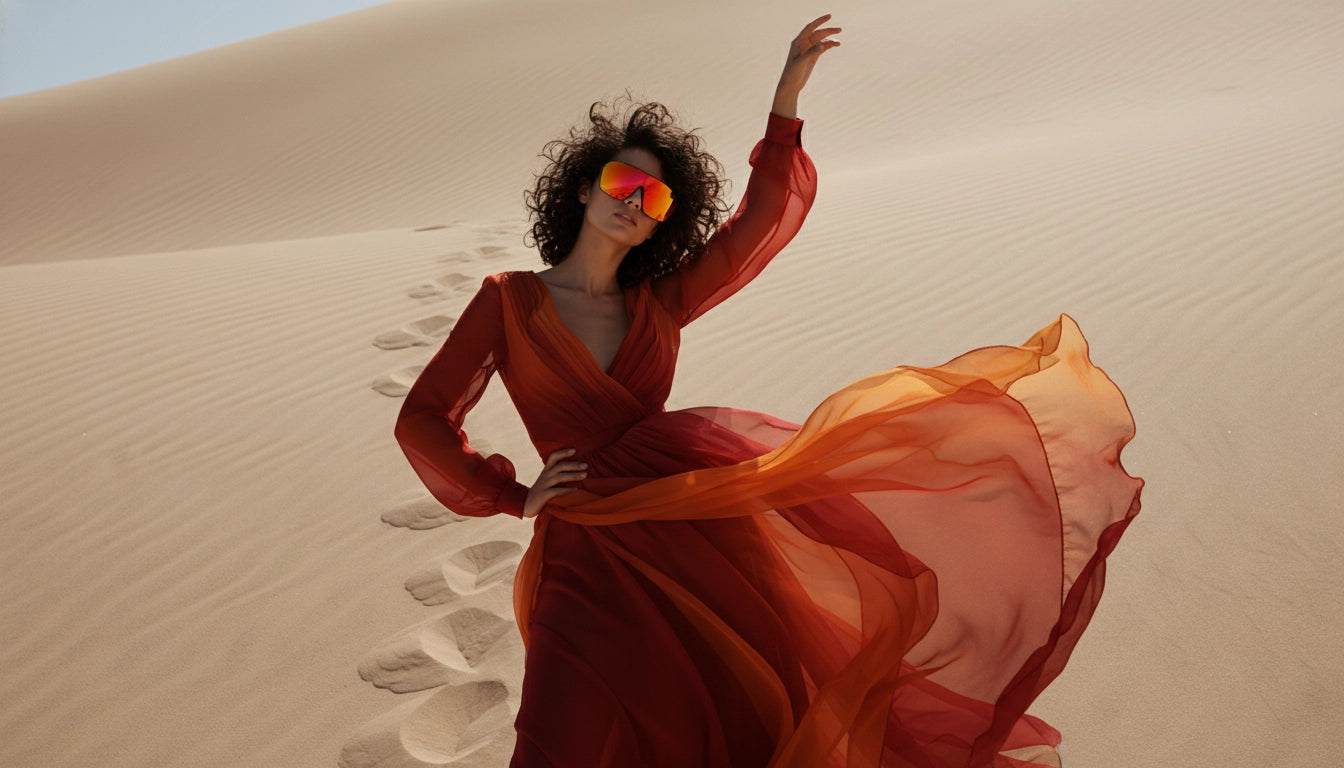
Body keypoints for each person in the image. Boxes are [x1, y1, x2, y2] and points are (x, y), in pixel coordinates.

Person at [392, 13, 1142, 768]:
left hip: (695, 526)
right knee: (562, 739)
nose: (635, 202)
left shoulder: (663, 303)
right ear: (584, 189)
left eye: (654, 201)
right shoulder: (508, 301)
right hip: (586, 541)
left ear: (659, 225)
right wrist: (512, 497)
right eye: (623, 183)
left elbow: (757, 224)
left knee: (736, 723)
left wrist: (784, 106)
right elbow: (423, 419)